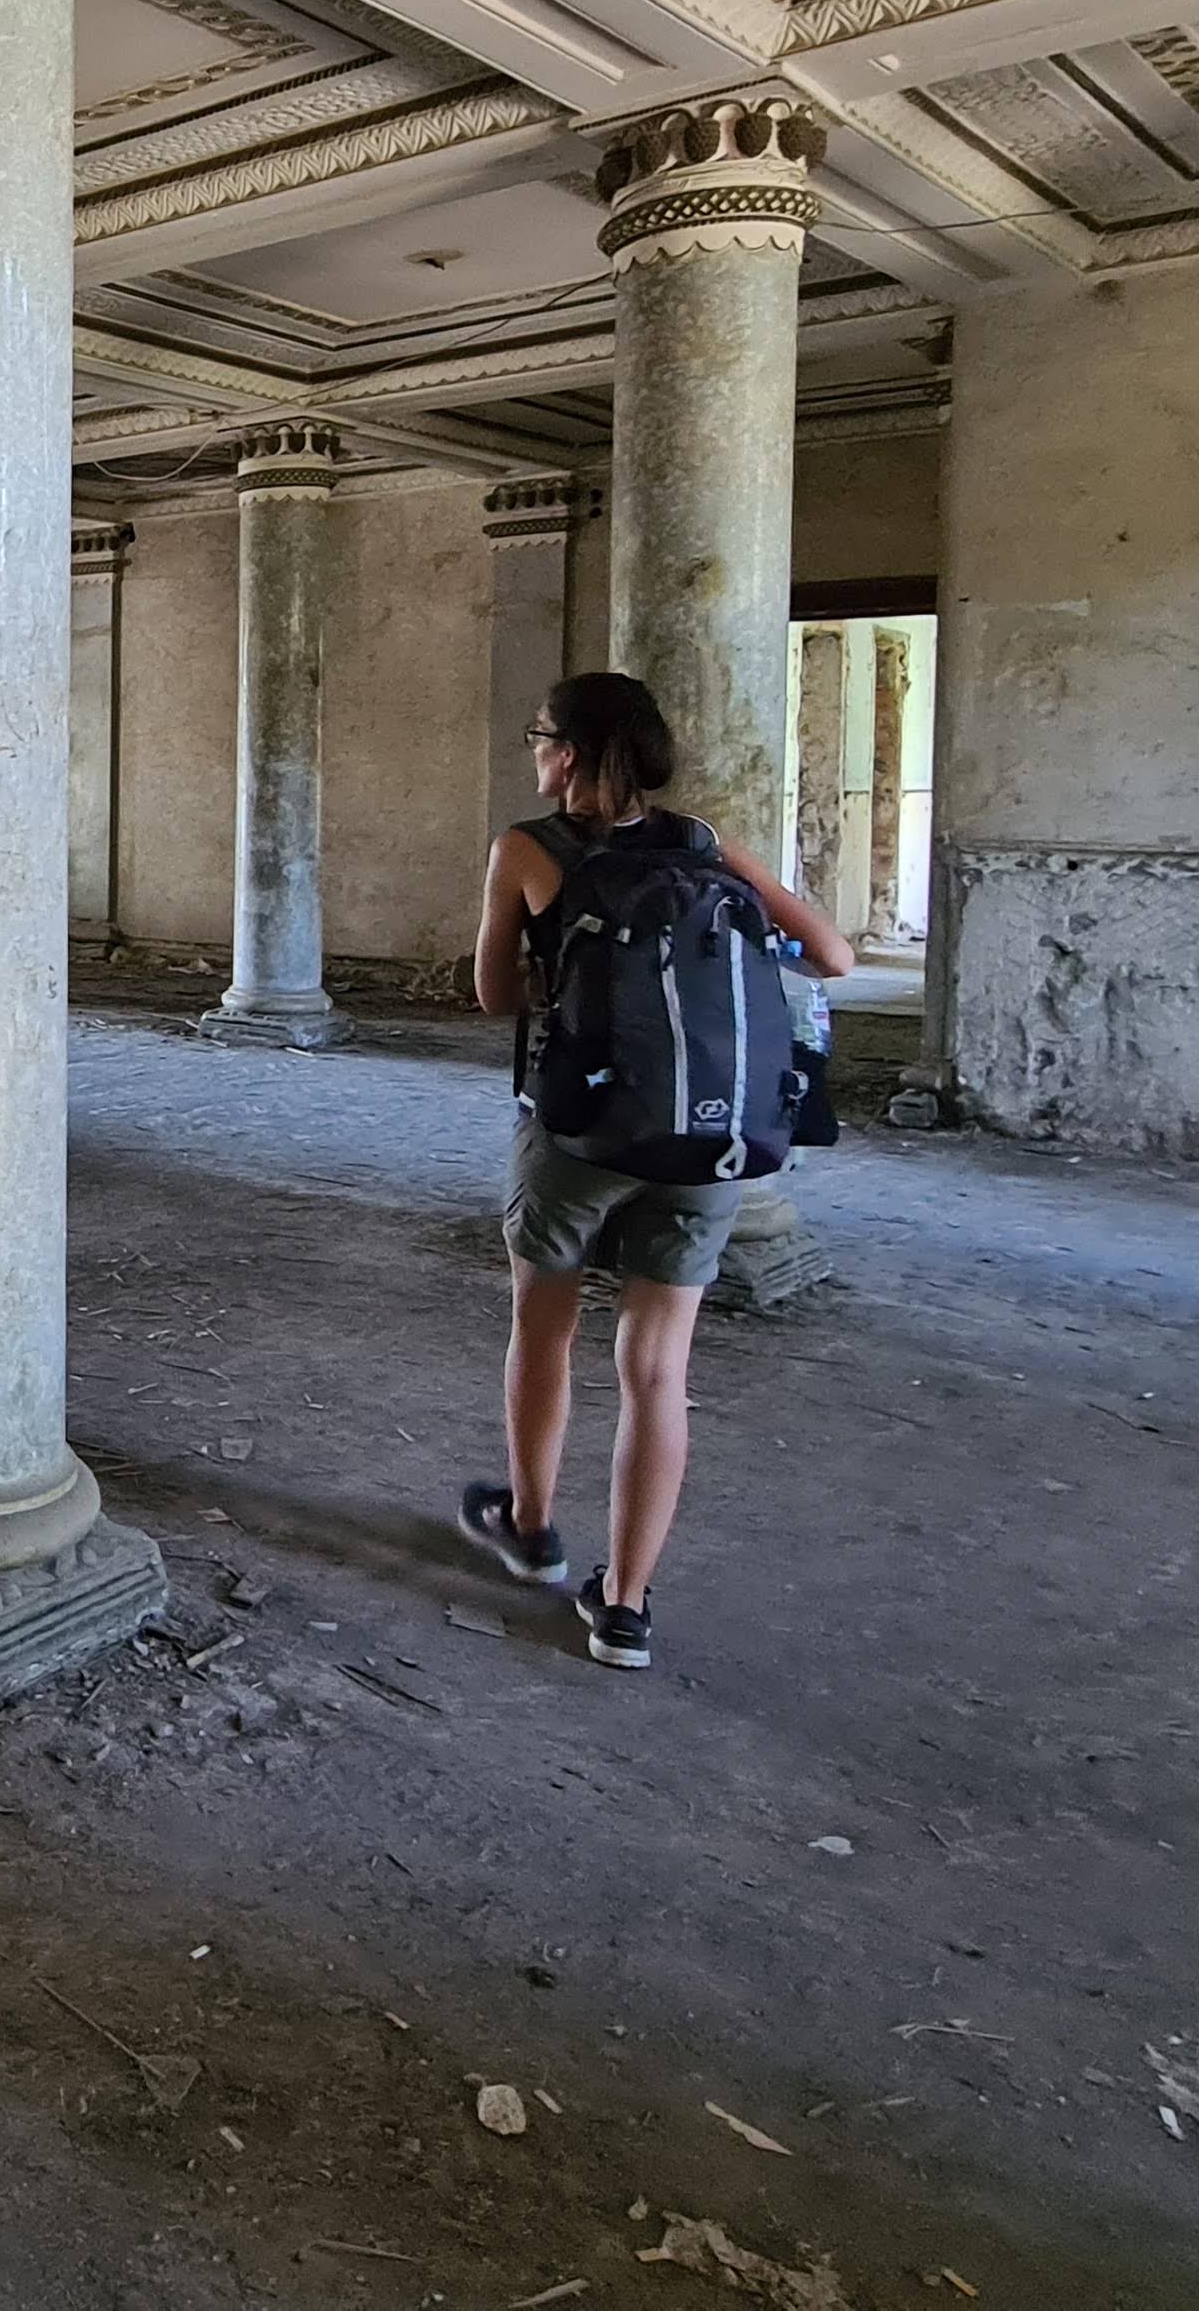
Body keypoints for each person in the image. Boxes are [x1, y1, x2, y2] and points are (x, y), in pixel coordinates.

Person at [456, 671, 852, 1670]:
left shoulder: (527, 849)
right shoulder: (704, 845)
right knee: (658, 1370)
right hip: (708, 1137)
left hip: (577, 1131)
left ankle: (533, 1532)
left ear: (567, 753)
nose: (534, 751)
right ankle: (625, 1607)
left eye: (539, 735)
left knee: (544, 1330)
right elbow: (833, 957)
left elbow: (494, 996)